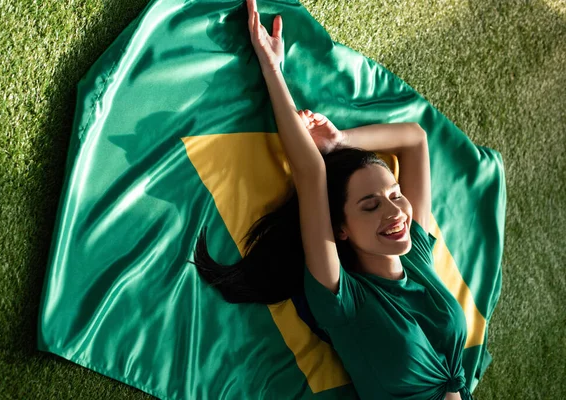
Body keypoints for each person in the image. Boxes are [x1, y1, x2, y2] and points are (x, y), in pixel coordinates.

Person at [189, 0, 473, 398]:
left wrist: (341, 141)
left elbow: (414, 140)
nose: (395, 210)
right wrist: (273, 68)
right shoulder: (341, 298)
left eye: (394, 195)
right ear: (339, 228)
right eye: (370, 205)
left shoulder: (417, 256)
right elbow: (311, 175)